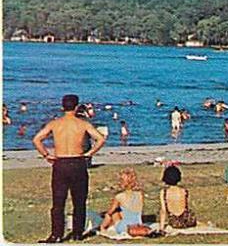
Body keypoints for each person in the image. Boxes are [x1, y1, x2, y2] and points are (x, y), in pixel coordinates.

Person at [32, 94, 106, 243]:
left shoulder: (55, 123)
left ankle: (57, 235)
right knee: (79, 201)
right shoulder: (82, 124)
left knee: (58, 202)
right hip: (78, 162)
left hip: (60, 163)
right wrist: (89, 153)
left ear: (62, 107)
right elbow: (100, 138)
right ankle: (78, 233)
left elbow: (37, 139)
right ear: (77, 107)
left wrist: (46, 154)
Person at [100, 168, 144, 234]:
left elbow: (110, 213)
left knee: (113, 213)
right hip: (138, 223)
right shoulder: (140, 194)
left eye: (121, 180)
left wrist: (103, 223)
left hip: (124, 227)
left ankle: (102, 228)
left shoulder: (119, 196)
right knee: (121, 212)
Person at [159, 166, 197, 230]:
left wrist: (161, 228)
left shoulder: (164, 192)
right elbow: (186, 206)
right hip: (188, 220)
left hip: (175, 222)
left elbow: (163, 211)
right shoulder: (184, 191)